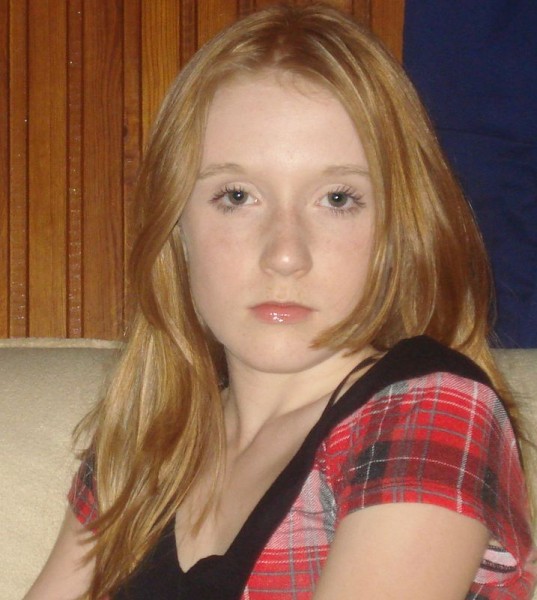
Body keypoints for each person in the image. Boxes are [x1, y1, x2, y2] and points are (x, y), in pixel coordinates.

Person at [24, 4, 535, 600]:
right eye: (237, 196)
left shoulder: (431, 411)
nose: (285, 255)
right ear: (175, 225)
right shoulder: (144, 446)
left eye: (338, 198)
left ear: (399, 229)